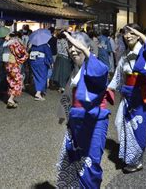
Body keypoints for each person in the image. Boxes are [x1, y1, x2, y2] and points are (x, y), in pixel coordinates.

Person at [56, 32, 112, 187]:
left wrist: (87, 52)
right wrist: (64, 116)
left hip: (94, 122)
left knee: (90, 163)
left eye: (77, 46)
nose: (72, 50)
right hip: (76, 121)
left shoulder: (94, 65)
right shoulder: (75, 69)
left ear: (88, 47)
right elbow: (68, 94)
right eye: (70, 46)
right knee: (74, 159)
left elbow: (102, 72)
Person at [108, 24, 146, 173]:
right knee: (120, 124)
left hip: (141, 96)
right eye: (125, 33)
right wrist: (110, 88)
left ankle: (136, 160)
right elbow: (118, 75)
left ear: (138, 35)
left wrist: (137, 31)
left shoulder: (145, 52)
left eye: (131, 33)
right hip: (127, 95)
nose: (128, 36)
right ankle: (129, 156)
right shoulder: (125, 55)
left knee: (138, 127)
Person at [4, 32, 29, 108]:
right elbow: (24, 53)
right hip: (14, 64)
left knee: (11, 81)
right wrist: (20, 60)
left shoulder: (6, 44)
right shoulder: (15, 43)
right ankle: (11, 99)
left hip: (7, 64)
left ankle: (10, 98)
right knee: (18, 81)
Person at [29, 36, 53, 101]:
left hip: (33, 62)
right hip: (41, 62)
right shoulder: (45, 45)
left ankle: (39, 90)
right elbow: (49, 55)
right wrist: (51, 62)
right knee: (42, 77)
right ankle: (38, 92)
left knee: (36, 76)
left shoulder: (33, 45)